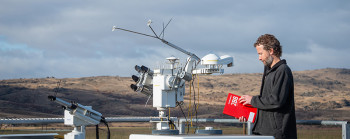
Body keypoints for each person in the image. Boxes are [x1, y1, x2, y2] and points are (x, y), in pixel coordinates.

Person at [238, 34, 297, 139]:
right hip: (262, 133)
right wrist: (247, 112)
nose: (259, 58)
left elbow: (276, 100)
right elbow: (266, 103)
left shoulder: (283, 71)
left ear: (271, 51)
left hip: (277, 135)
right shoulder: (269, 71)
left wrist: (252, 100)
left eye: (261, 53)